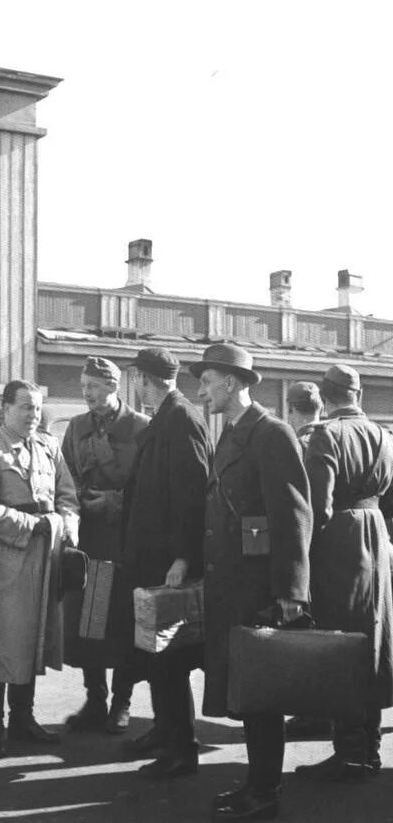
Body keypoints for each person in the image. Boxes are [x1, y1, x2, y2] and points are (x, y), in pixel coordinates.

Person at [191, 344, 312, 822]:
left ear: (234, 384)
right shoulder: (233, 433)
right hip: (232, 583)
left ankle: (265, 789)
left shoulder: (271, 433)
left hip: (259, 589)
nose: (200, 390)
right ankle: (257, 783)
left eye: (208, 380)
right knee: (247, 693)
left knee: (262, 695)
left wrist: (289, 594)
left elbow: (294, 517)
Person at [0, 380, 80, 757]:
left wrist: (67, 527)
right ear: (6, 408)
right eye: (26, 408)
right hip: (3, 559)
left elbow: (67, 495)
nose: (33, 416)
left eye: (37, 409)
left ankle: (23, 719)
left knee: (32, 639)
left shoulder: (48, 447)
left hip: (45, 557)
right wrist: (34, 526)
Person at [295, 364, 393, 781]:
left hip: (339, 542)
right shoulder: (384, 436)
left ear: (326, 395)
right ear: (358, 395)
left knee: (339, 641)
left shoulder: (325, 435)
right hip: (376, 536)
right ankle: (367, 746)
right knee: (372, 638)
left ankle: (351, 751)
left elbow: (318, 507)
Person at [121, 348, 212, 777]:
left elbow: (194, 494)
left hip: (168, 562)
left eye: (134, 379)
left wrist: (183, 556)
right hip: (151, 558)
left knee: (172, 657)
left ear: (144, 379)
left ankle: (182, 748)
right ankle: (164, 728)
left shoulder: (182, 419)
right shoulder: (167, 417)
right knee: (157, 654)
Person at [61, 356, 149, 734]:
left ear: (113, 386)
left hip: (127, 539)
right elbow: (63, 474)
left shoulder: (141, 428)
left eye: (94, 387)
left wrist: (116, 503)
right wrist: (79, 500)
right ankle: (95, 699)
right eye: (83, 388)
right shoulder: (77, 427)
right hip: (91, 540)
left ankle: (122, 704)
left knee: (126, 621)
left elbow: (150, 487)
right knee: (92, 620)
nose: (87, 395)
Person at [283, 381, 331, 741]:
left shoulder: (299, 445)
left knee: (307, 633)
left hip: (307, 548)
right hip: (335, 548)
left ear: (292, 409)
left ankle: (313, 712)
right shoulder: (331, 437)